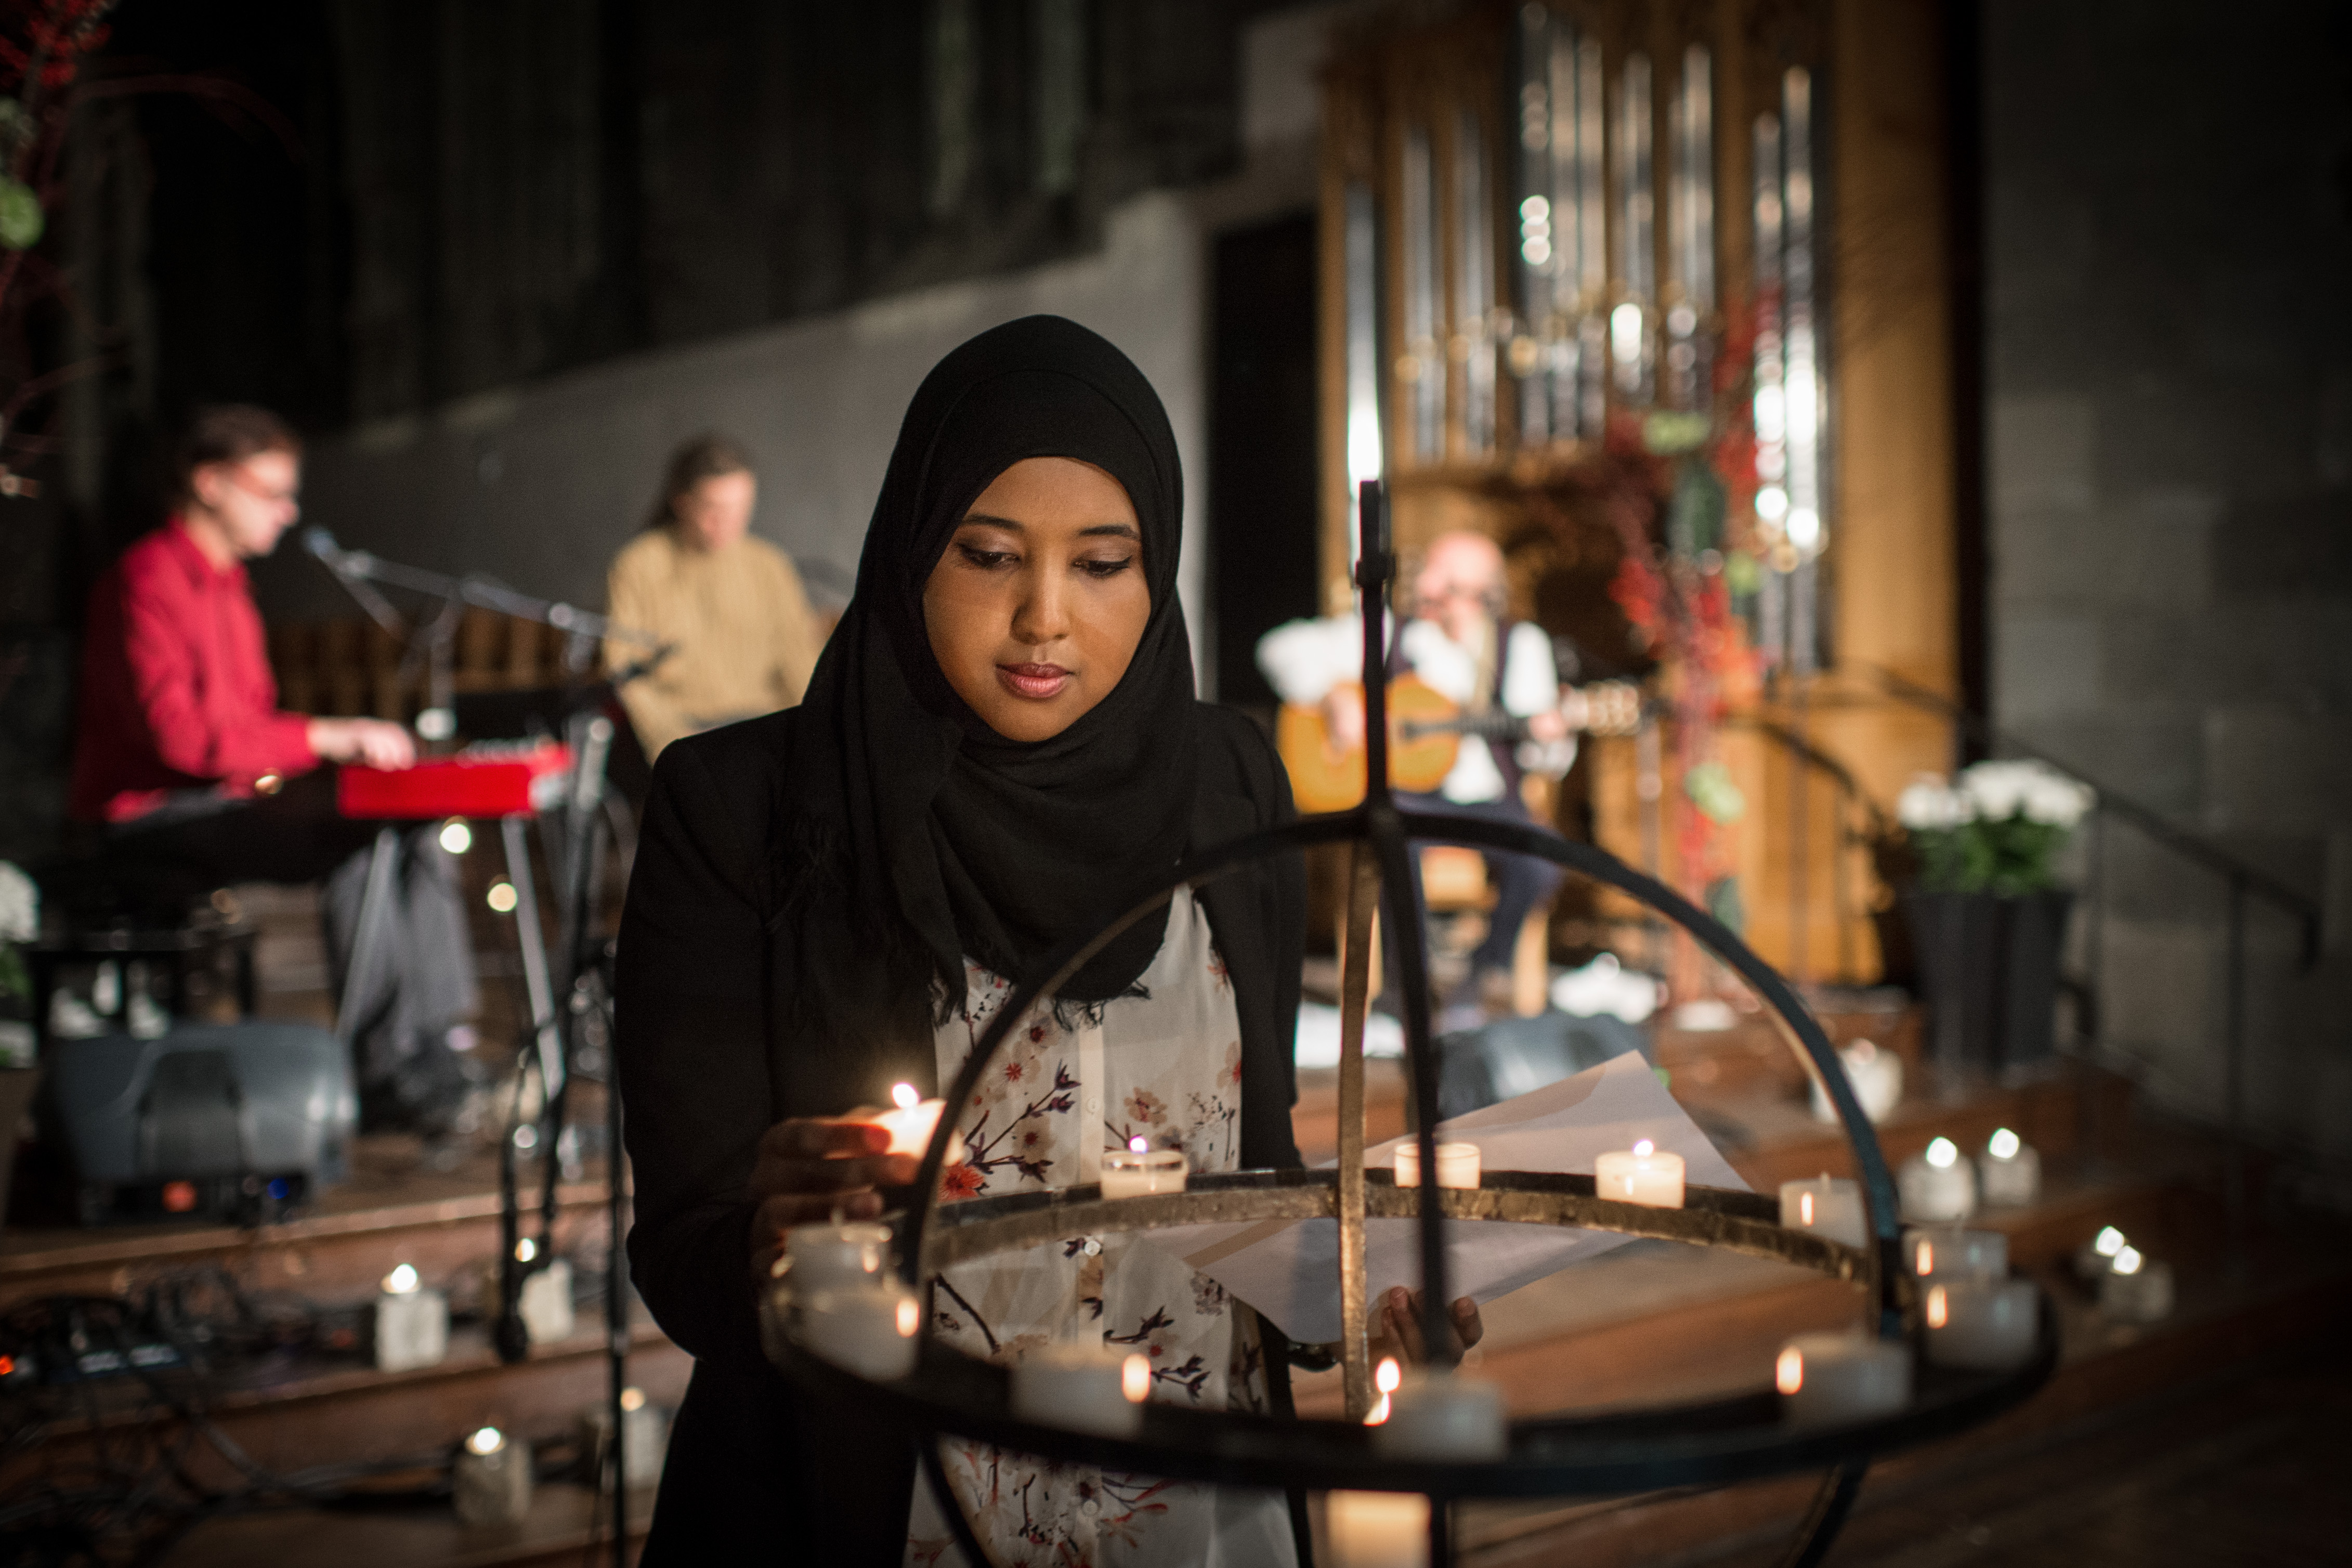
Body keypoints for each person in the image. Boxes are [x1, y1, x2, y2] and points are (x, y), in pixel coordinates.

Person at [615, 317, 1480, 1566]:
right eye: (988, 553)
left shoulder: (1228, 781)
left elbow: (1253, 1170)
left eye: (1103, 561)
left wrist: (1361, 1304)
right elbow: (685, 1250)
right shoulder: (745, 808)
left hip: (1193, 1500)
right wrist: (768, 1241)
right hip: (888, 1497)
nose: (1043, 617)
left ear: (1157, 566)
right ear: (914, 547)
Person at [66, 404, 479, 1133]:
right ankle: (386, 1070)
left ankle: (439, 1046)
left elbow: (246, 730)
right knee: (359, 840)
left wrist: (307, 756)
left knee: (413, 825)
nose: (288, 514)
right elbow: (184, 743)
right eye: (272, 492)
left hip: (219, 801)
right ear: (210, 483)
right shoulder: (148, 579)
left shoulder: (231, 589)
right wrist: (326, 737)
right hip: (149, 814)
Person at [1258, 530, 1574, 1024]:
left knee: (1541, 861)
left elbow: (1548, 757)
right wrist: (1331, 698)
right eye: (1429, 573)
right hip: (1412, 799)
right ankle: (1407, 991)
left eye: (1445, 581)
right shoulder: (1391, 633)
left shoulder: (1521, 644)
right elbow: (1279, 648)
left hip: (1493, 800)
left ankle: (1480, 978)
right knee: (1393, 833)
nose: (1425, 586)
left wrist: (1550, 735)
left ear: (1480, 593)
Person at [603, 435, 828, 761]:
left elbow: (801, 663)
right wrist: (673, 744)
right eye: (713, 508)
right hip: (686, 735)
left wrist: (816, 735)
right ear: (681, 502)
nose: (728, 522)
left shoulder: (769, 565)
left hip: (767, 729)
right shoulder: (638, 566)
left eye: (740, 508)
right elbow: (625, 671)